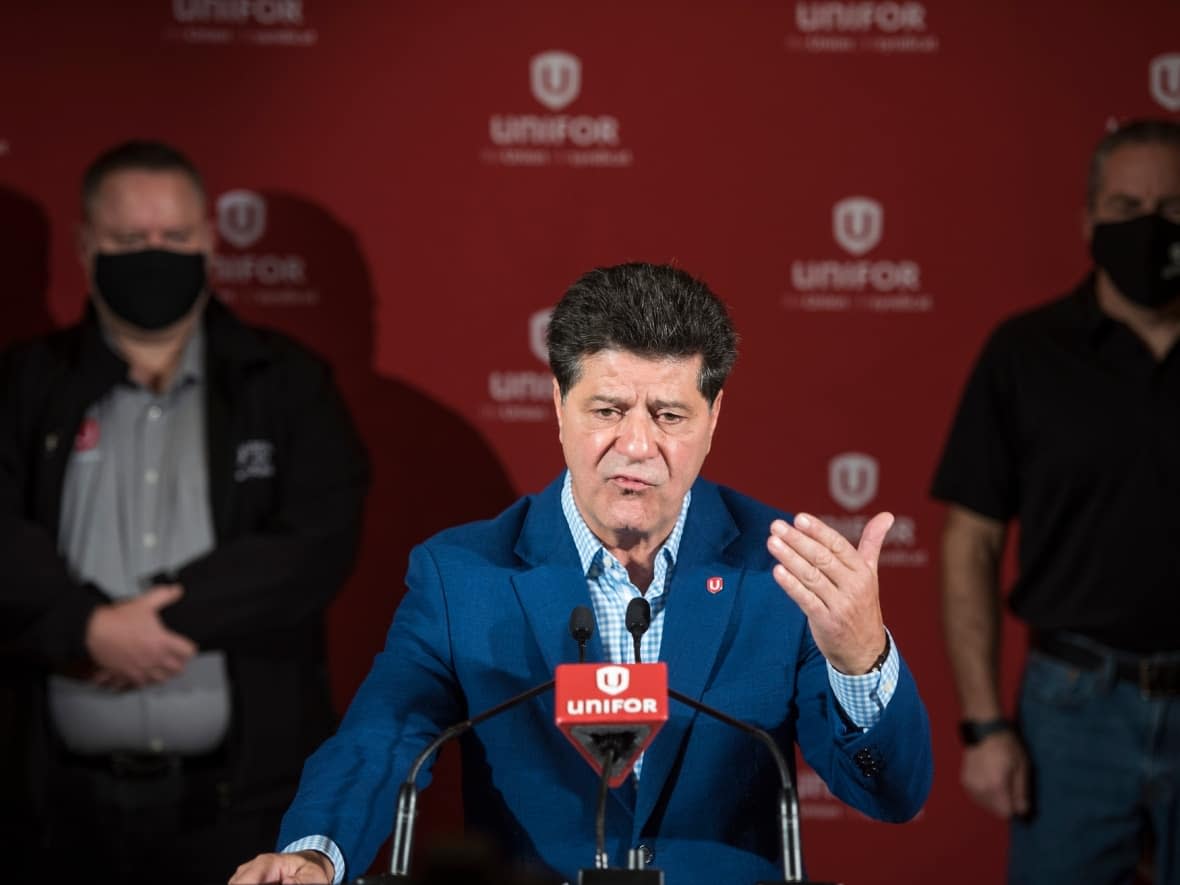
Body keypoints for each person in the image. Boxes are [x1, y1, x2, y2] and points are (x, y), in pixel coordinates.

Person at [232, 262, 933, 885]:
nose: (636, 445)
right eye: (607, 410)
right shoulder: (464, 576)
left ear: (714, 416)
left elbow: (892, 795)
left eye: (669, 414)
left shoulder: (780, 570)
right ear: (558, 403)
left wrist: (860, 658)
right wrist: (316, 854)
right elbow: (382, 733)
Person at [0, 140, 370, 885]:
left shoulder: (287, 381)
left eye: (174, 238)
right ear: (84, 247)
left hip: (240, 812)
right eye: (130, 240)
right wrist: (88, 629)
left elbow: (316, 538)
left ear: (207, 241)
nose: (155, 255)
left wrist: (163, 623)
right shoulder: (22, 383)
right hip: (52, 812)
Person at [931, 118, 1180, 884]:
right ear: (1088, 220)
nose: (1149, 226)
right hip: (1073, 709)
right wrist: (985, 724)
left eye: (1172, 207)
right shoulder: (1026, 352)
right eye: (1126, 205)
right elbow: (968, 540)